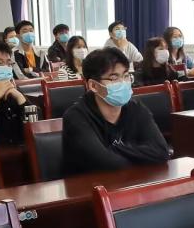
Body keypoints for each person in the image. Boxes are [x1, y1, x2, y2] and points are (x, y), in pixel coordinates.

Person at [62, 47, 170, 176]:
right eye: (114, 78)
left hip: (131, 182)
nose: (123, 83)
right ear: (93, 85)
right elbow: (106, 163)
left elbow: (161, 151)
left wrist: (116, 149)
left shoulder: (135, 107)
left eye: (125, 76)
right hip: (89, 184)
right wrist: (141, 155)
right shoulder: (76, 117)